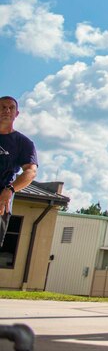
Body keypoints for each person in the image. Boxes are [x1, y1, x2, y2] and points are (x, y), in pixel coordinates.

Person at [0, 96, 38, 247]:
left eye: (11, 108)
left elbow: (30, 172)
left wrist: (10, 190)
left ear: (16, 114)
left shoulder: (23, 143)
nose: (7, 110)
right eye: (2, 107)